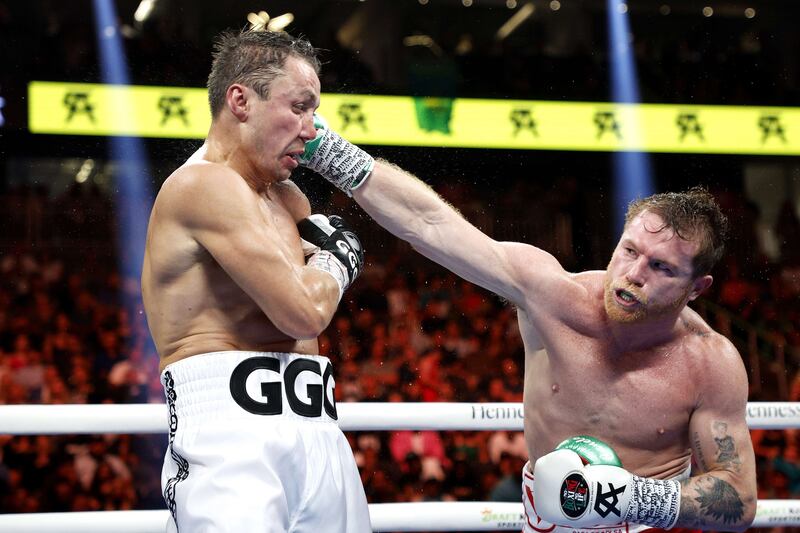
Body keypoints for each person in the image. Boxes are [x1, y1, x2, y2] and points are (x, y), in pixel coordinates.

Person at [298, 117, 757, 532]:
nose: (634, 274)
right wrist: (327, 150)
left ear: (697, 288)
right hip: (544, 524)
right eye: (630, 250)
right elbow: (430, 222)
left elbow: (738, 499)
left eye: (662, 268)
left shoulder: (709, 362)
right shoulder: (553, 296)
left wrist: (623, 498)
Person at [141, 29, 371, 532]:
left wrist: (327, 268)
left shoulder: (289, 199)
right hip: (229, 436)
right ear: (240, 100)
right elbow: (304, 310)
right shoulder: (200, 186)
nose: (312, 129)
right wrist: (336, 262)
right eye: (300, 107)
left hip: (317, 427)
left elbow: (307, 323)